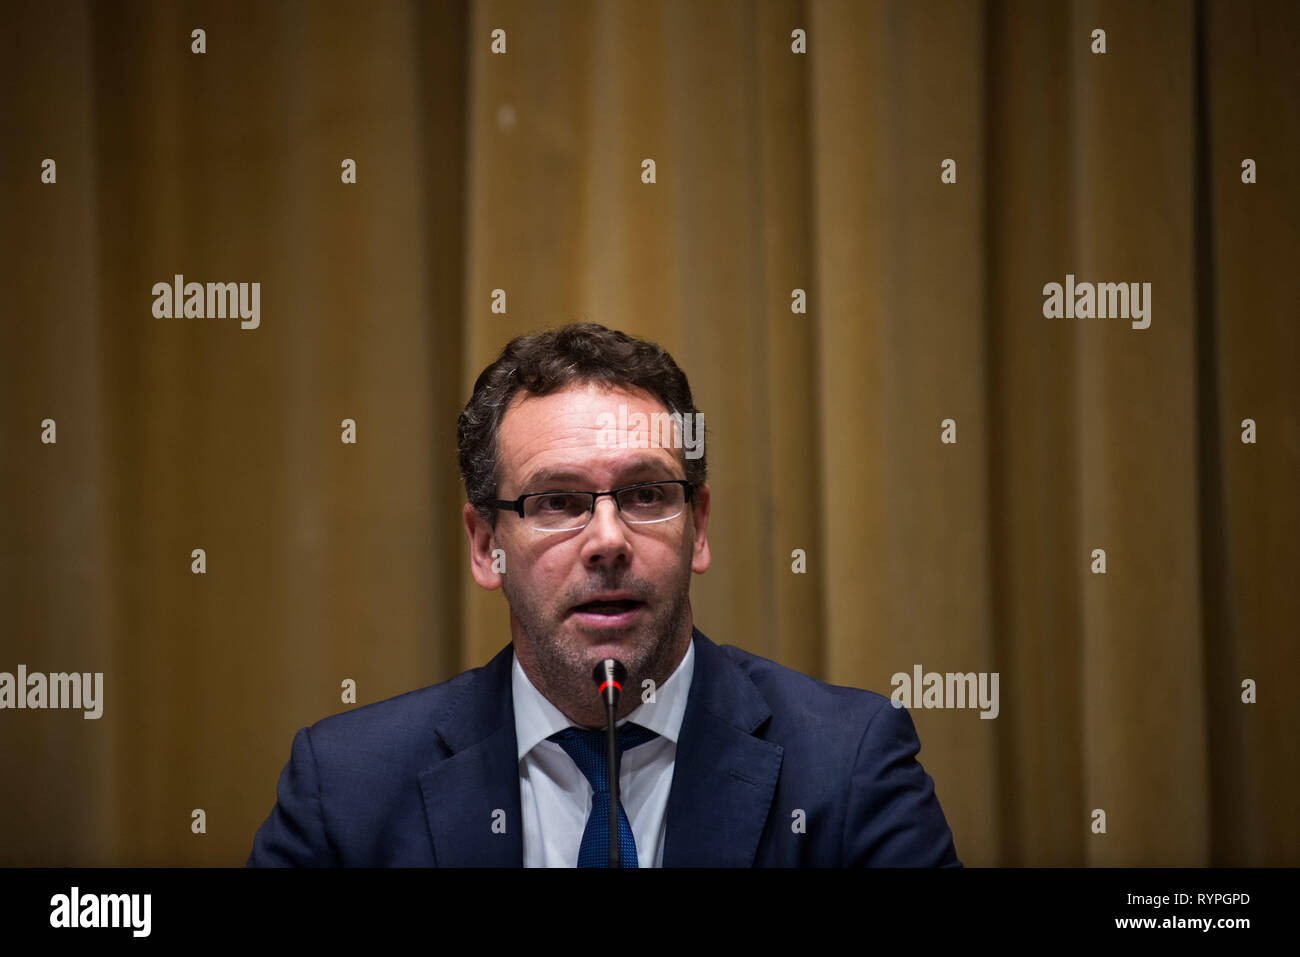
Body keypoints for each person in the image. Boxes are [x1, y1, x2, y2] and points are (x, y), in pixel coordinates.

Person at [247, 323, 961, 867]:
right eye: (557, 501)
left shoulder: (848, 767)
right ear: (485, 545)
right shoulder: (345, 790)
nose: (608, 539)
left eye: (646, 493)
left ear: (699, 526)